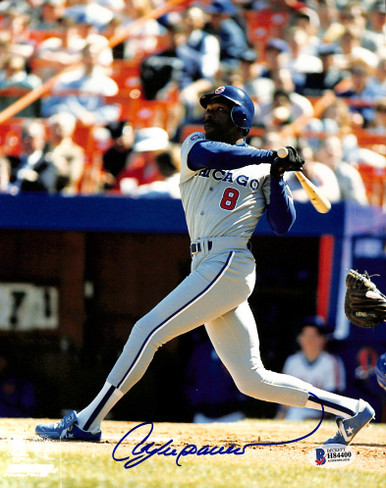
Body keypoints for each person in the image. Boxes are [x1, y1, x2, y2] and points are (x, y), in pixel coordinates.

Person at [35, 85, 375, 446]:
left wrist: (276, 174)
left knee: (146, 331)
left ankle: (88, 421)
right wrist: (268, 155)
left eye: (219, 108)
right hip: (208, 263)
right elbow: (214, 154)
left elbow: (282, 224)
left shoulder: (263, 169)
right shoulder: (196, 145)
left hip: (230, 261)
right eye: (209, 106)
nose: (209, 113)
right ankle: (352, 409)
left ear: (241, 118)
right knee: (252, 380)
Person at [276, 317, 346, 421]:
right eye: (306, 335)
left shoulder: (331, 362)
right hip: (295, 411)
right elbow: (282, 396)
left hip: (321, 414)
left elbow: (335, 401)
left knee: (297, 413)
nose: (309, 340)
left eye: (314, 336)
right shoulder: (292, 362)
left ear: (322, 339)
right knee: (294, 413)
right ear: (299, 338)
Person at [7, 120, 58, 193]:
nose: (26, 141)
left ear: (42, 140)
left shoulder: (47, 163)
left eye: (30, 137)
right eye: (24, 136)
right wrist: (20, 174)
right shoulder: (12, 162)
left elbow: (46, 185)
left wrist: (30, 178)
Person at [46, 112, 85, 193]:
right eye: (54, 127)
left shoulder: (75, 152)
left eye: (60, 127)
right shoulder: (44, 148)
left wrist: (61, 166)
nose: (56, 131)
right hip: (41, 195)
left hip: (63, 196)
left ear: (70, 129)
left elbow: (73, 178)